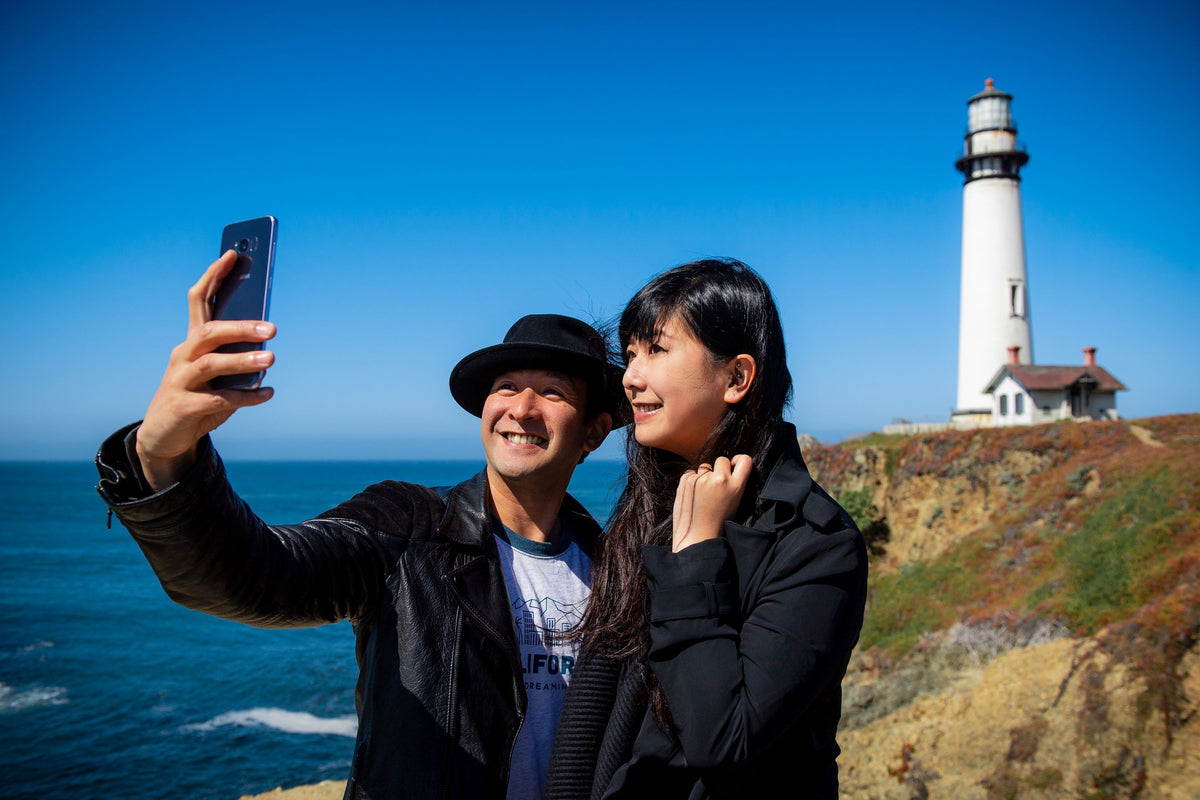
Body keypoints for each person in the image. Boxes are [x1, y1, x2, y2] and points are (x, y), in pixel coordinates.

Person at [94, 250, 622, 800]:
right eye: (507, 386)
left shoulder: (618, 571)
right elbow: (255, 576)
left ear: (593, 431)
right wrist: (163, 457)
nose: (522, 408)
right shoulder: (408, 527)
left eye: (553, 392)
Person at [545, 258, 869, 799]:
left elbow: (723, 737)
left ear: (737, 377)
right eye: (630, 354)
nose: (631, 377)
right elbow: (593, 718)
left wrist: (696, 554)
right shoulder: (652, 503)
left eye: (657, 349)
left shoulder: (818, 541)